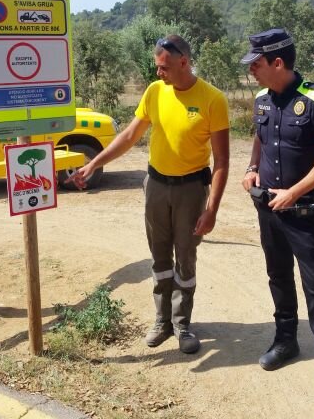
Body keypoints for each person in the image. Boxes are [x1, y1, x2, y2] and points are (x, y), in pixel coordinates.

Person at [69, 34, 230, 354]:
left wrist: (211, 209)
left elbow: (222, 161)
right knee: (159, 256)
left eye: (164, 67)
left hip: (190, 189)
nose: (159, 73)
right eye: (157, 67)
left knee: (185, 257)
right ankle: (162, 320)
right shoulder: (155, 92)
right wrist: (94, 163)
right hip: (156, 186)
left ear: (184, 62)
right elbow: (130, 135)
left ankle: (183, 323)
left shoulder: (213, 99)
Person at [240, 28, 314, 403]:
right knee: (278, 276)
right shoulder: (262, 99)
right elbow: (260, 137)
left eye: (256, 63)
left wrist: (293, 193)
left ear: (278, 62)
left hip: (304, 210)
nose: (251, 70)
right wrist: (252, 167)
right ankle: (286, 341)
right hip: (268, 208)